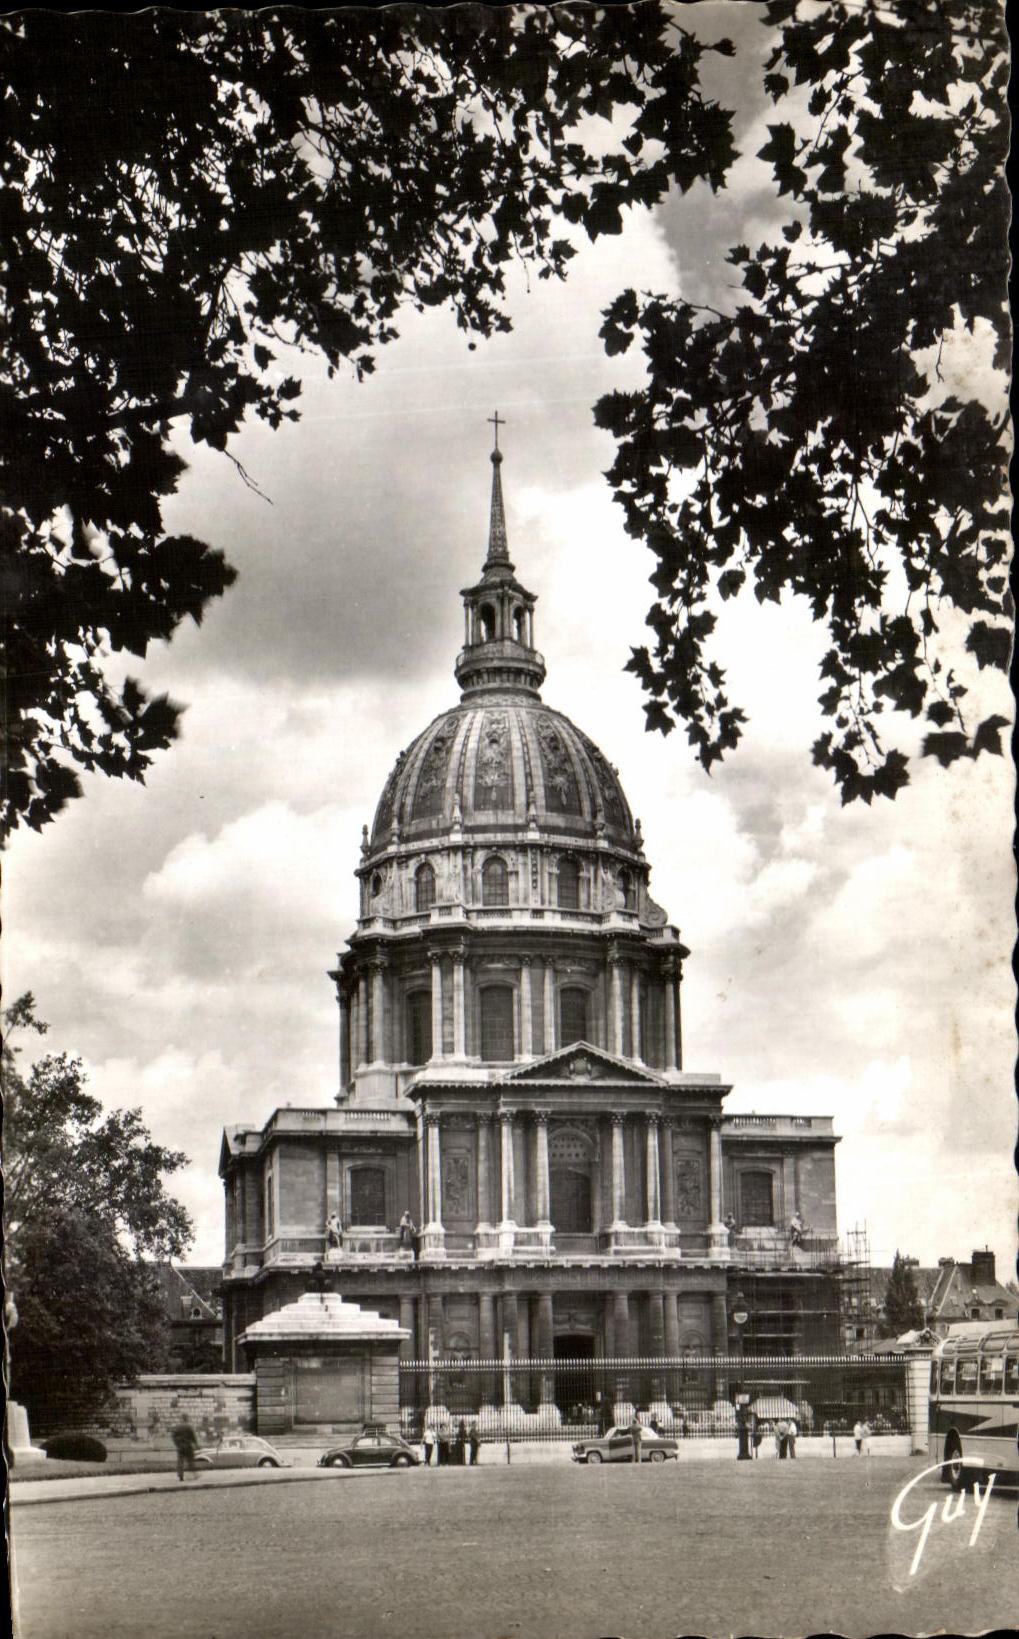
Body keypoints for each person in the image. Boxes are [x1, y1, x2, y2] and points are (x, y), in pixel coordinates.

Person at [171, 1414, 199, 1482]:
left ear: (182, 1419)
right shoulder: (189, 1426)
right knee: (190, 1460)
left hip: (180, 1446)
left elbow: (173, 1436)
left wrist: (177, 1444)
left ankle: (180, 1475)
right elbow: (193, 1436)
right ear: (186, 1419)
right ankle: (193, 1475)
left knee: (180, 1461)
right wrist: (196, 1444)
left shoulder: (176, 1427)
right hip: (188, 1446)